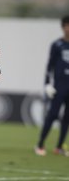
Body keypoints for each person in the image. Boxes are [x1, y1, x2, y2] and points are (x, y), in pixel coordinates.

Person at [35, 15, 69, 157]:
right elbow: (49, 67)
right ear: (63, 27)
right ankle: (40, 144)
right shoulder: (57, 45)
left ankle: (59, 146)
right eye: (67, 25)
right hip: (59, 87)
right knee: (52, 115)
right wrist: (47, 84)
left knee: (67, 118)